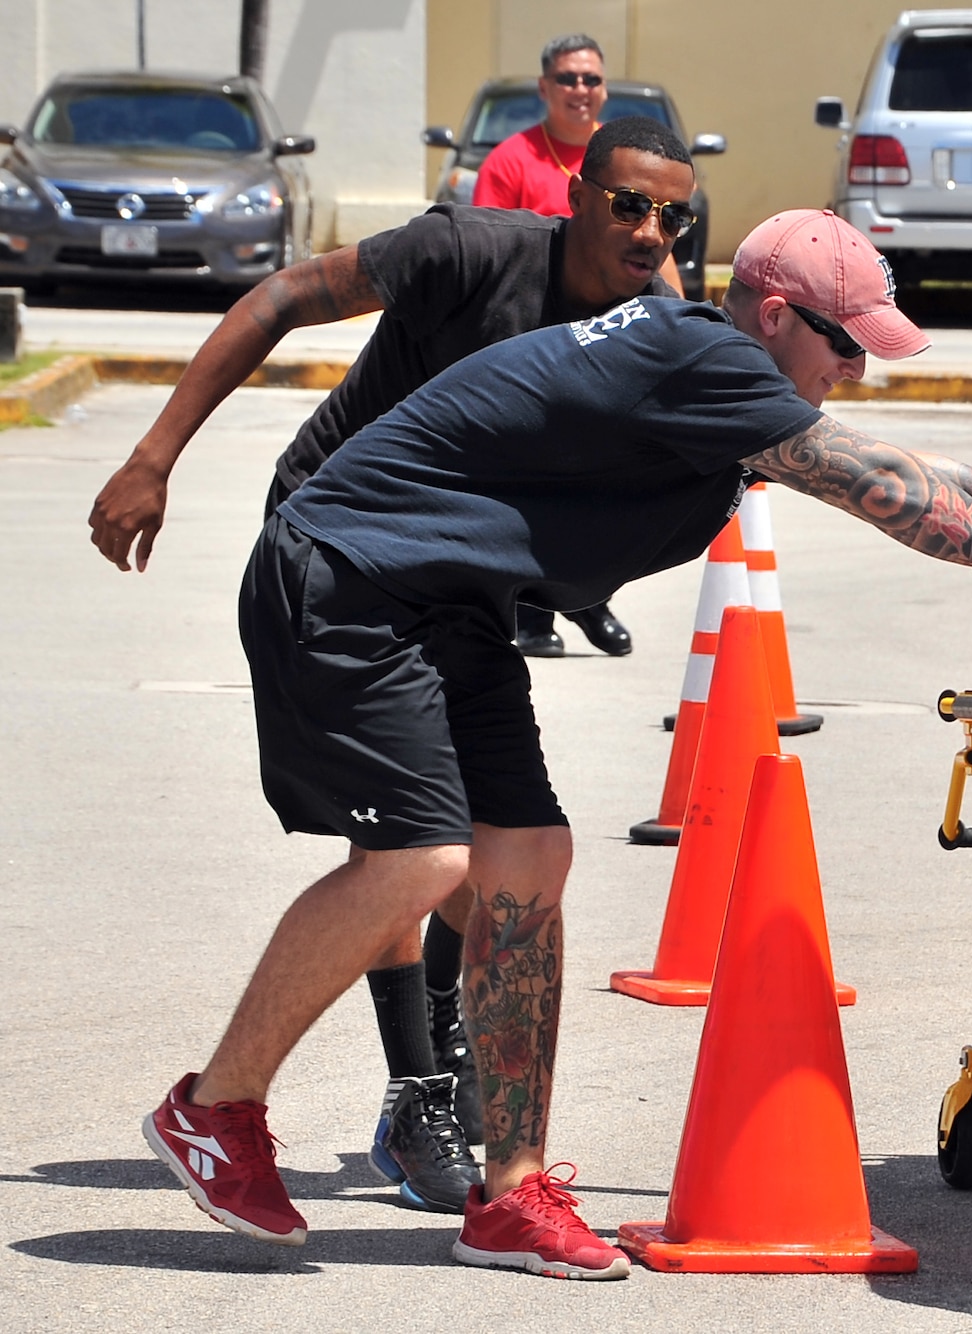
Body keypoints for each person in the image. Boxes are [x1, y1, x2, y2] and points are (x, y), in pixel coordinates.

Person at [139, 204, 972, 1278]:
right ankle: (215, 1107)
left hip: (444, 599)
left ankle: (509, 1191)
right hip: (345, 580)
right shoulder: (696, 355)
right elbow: (876, 491)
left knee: (529, 853)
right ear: (772, 311)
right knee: (424, 858)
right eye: (842, 343)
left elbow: (911, 462)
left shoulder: (726, 377)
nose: (853, 368)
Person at [94, 117, 689, 1215]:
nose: (650, 230)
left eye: (672, 214)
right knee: (416, 846)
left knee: (504, 845)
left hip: (459, 579)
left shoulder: (650, 321)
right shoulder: (465, 250)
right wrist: (151, 457)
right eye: (629, 204)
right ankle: (403, 1091)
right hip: (342, 543)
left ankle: (444, 1076)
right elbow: (276, 300)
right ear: (577, 194)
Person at [474, 32, 663, 659]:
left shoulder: (629, 155)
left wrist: (683, 324)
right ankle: (533, 614)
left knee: (597, 486)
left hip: (610, 352)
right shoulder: (510, 160)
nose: (579, 90)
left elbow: (660, 248)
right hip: (530, 353)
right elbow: (489, 249)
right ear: (544, 89)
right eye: (567, 79)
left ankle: (585, 598)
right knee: (528, 485)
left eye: (590, 79)